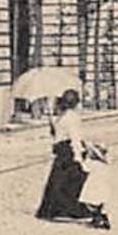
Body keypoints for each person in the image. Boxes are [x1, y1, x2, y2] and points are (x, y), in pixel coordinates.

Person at [35, 89, 96, 224]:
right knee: (71, 181)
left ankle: (50, 209)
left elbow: (57, 136)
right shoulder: (72, 117)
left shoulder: (61, 117)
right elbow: (75, 138)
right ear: (75, 103)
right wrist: (79, 157)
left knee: (57, 181)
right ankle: (68, 208)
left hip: (61, 152)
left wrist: (54, 129)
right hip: (68, 152)